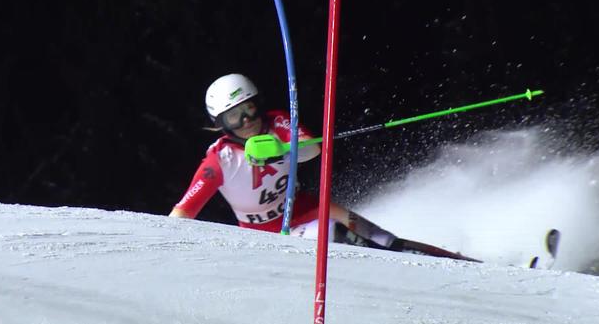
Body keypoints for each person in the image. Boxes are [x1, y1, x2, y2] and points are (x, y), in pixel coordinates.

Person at [169, 73, 479, 261]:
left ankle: (461, 262)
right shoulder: (219, 161)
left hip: (307, 207)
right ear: (222, 124)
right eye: (235, 116)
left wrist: (281, 151)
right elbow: (183, 213)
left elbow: (312, 149)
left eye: (249, 108)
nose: (247, 120)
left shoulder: (277, 122)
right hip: (269, 234)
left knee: (383, 238)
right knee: (336, 234)